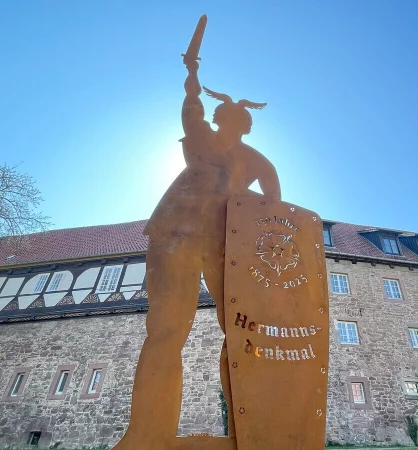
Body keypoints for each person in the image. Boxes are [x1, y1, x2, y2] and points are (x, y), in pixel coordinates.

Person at [114, 52, 280, 450]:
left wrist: (242, 199)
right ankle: (146, 435)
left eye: (235, 116)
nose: (227, 119)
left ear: (244, 125)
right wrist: (192, 71)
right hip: (175, 235)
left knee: (241, 332)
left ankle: (252, 434)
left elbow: (274, 214)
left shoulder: (258, 162)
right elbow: (192, 101)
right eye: (224, 114)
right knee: (166, 330)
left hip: (226, 247)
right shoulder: (200, 134)